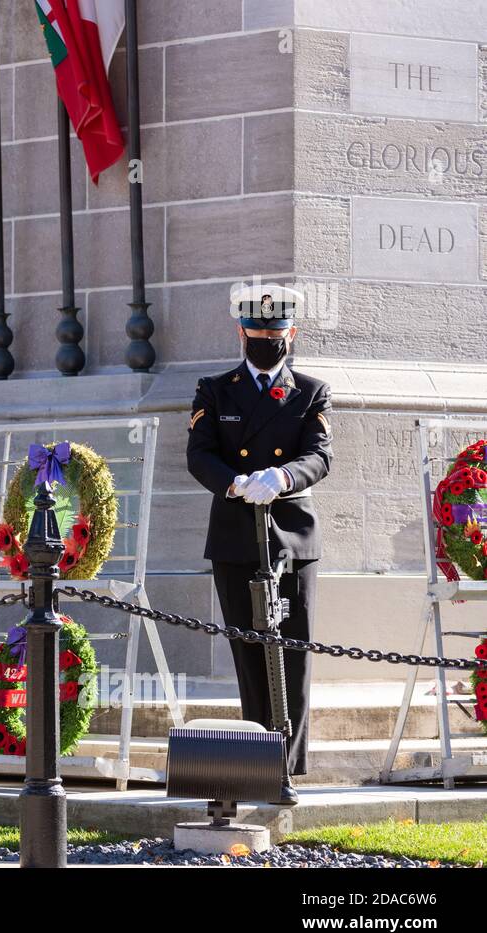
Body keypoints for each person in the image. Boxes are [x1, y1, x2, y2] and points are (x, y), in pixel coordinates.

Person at [186, 283, 333, 806]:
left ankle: (285, 770)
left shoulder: (310, 391)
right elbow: (199, 455)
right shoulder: (215, 389)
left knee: (291, 652)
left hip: (291, 535)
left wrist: (282, 477)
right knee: (248, 650)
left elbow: (319, 456)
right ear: (241, 333)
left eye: (276, 333)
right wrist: (233, 482)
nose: (267, 341)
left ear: (292, 334)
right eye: (257, 333)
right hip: (234, 533)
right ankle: (255, 762)